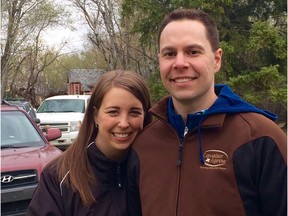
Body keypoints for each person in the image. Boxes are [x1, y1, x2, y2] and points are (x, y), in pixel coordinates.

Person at [127, 8, 287, 216]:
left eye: (193, 52)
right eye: (169, 53)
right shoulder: (143, 143)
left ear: (217, 59)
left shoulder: (260, 138)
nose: (180, 63)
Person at [27, 70, 151, 216]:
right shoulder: (60, 176)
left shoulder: (153, 169)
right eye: (113, 112)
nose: (123, 123)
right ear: (95, 116)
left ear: (145, 115)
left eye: (134, 112)